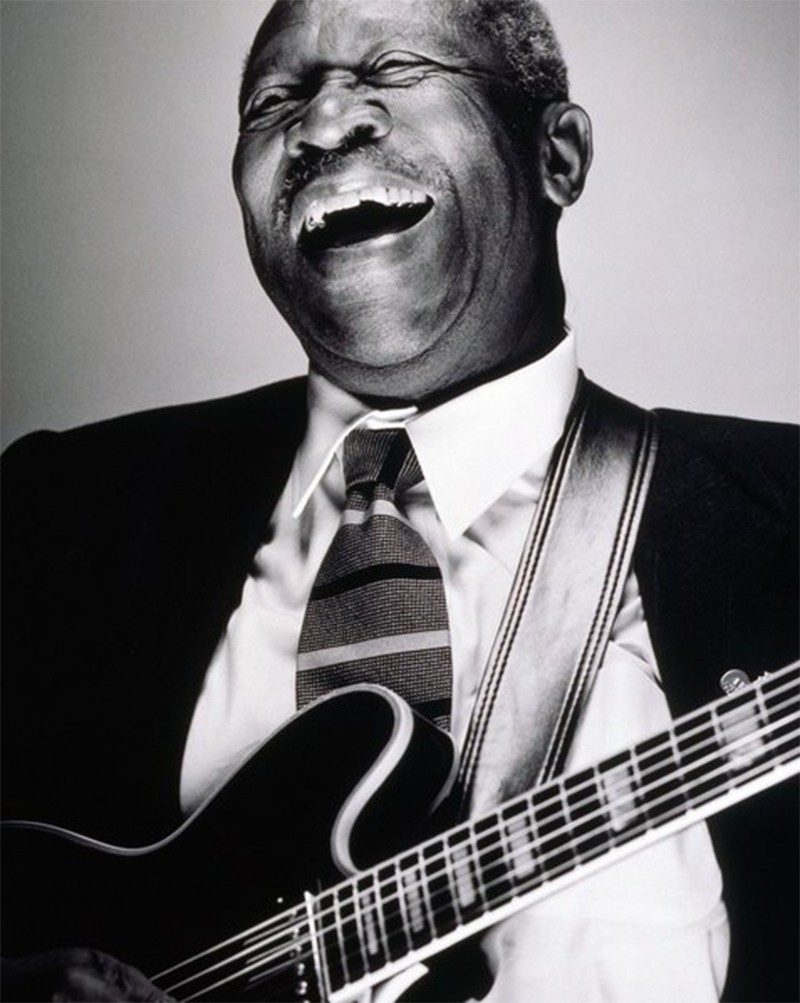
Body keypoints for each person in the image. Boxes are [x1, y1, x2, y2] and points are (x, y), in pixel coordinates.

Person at [1, 1, 797, 1001]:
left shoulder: (778, 513)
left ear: (555, 156)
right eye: (274, 101)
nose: (323, 122)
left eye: (395, 69)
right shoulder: (51, 511)